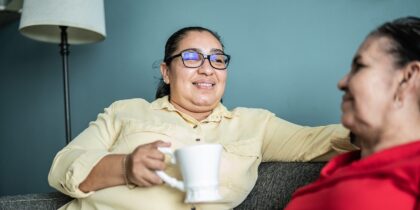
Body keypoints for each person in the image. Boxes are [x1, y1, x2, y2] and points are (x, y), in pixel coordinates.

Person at [48, 26, 357, 210]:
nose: (207, 68)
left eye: (217, 59)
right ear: (167, 72)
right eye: (192, 57)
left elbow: (320, 141)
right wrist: (126, 167)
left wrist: (385, 126)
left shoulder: (254, 125)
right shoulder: (126, 111)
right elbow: (62, 165)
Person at [284, 16, 420, 210]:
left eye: (359, 67)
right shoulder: (337, 171)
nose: (342, 82)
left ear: (407, 78)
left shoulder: (412, 172)